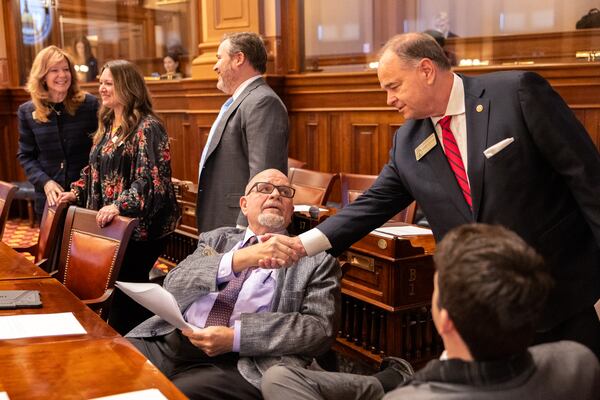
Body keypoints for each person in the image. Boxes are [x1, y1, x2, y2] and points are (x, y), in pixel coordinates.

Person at [281, 32, 600, 357]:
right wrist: (300, 246)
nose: (389, 99)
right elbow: (371, 206)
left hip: (557, 290)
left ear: (426, 70)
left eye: (394, 86)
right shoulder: (408, 142)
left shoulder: (516, 93)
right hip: (482, 308)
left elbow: (586, 177)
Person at [262, 224, 600, 400]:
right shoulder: (577, 363)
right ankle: (389, 379)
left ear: (444, 319)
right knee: (280, 376)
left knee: (277, 382)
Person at [126, 168, 340, 400]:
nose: (275, 195)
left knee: (173, 394)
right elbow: (174, 285)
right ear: (244, 204)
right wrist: (240, 259)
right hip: (172, 339)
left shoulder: (316, 261)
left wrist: (236, 338)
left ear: (290, 211)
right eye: (265, 189)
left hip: (240, 361)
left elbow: (320, 329)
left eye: (285, 192)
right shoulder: (216, 239)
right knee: (110, 362)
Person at [57, 60, 179, 335]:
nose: (101, 88)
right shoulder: (109, 122)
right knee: (116, 287)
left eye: (108, 83)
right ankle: (128, 340)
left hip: (142, 228)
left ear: (127, 86)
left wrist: (119, 205)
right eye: (101, 82)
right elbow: (95, 169)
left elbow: (150, 180)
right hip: (111, 224)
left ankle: (136, 345)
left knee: (126, 289)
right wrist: (75, 191)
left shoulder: (148, 127)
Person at [196, 32, 288, 233]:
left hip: (238, 222)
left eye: (220, 58)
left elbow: (264, 172)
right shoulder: (242, 100)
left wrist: (245, 226)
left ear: (239, 58)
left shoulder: (262, 102)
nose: (215, 66)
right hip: (220, 216)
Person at [17, 45, 99, 222]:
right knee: (52, 249)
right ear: (43, 76)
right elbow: (26, 156)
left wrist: (81, 188)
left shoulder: (90, 105)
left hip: (85, 200)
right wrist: (45, 182)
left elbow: (100, 151)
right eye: (54, 70)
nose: (62, 75)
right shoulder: (26, 112)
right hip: (49, 200)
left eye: (66, 69)